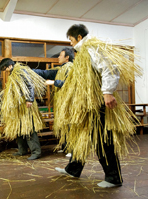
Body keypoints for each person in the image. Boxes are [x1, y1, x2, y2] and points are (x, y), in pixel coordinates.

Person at [54, 24, 142, 187]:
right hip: (86, 105)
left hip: (97, 103)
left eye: (71, 40)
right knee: (80, 136)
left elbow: (110, 68)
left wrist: (107, 92)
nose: (71, 43)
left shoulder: (92, 47)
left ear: (79, 37)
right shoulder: (82, 53)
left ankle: (113, 178)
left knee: (102, 139)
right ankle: (73, 169)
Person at [0, 58, 46, 160]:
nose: (5, 71)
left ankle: (36, 152)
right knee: (19, 127)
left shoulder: (20, 71)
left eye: (5, 68)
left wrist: (29, 99)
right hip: (18, 106)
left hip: (26, 104)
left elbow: (29, 84)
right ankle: (22, 150)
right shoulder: (13, 73)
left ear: (10, 66)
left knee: (29, 127)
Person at [33, 48, 75, 157]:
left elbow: (71, 83)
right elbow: (46, 73)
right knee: (63, 124)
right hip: (61, 102)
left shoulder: (71, 68)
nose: (58, 57)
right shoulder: (60, 69)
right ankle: (65, 147)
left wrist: (54, 82)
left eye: (60, 55)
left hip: (69, 102)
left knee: (69, 125)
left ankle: (72, 150)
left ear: (67, 57)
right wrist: (29, 71)